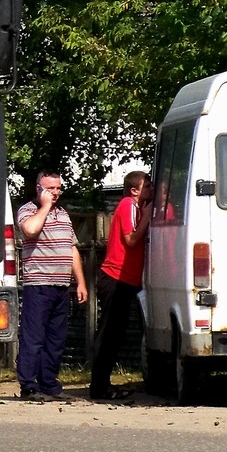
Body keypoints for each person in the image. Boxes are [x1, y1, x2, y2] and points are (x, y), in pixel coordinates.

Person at [16, 171, 89, 400]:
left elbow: (72, 248)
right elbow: (30, 230)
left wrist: (81, 283)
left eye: (58, 188)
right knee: (33, 337)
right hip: (38, 283)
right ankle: (29, 385)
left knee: (56, 338)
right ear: (39, 189)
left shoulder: (64, 215)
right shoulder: (28, 210)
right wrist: (45, 207)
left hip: (61, 284)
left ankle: (49, 383)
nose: (55, 193)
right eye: (50, 188)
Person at [89, 170, 153, 400]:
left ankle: (103, 384)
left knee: (116, 334)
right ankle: (98, 387)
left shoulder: (136, 208)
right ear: (135, 190)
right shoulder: (128, 204)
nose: (150, 190)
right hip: (116, 277)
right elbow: (131, 239)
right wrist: (146, 216)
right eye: (147, 186)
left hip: (128, 279)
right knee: (108, 334)